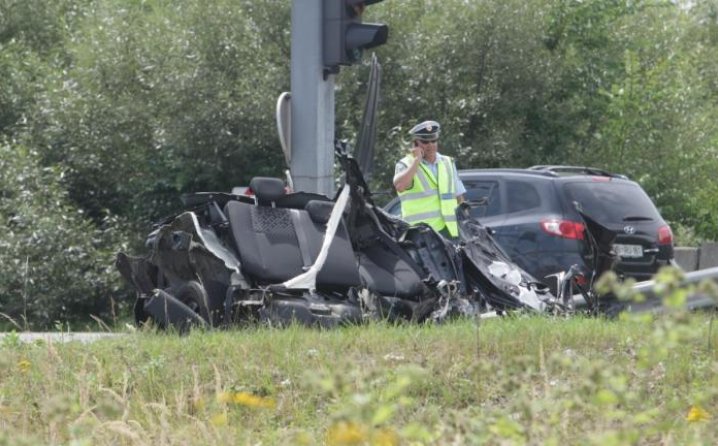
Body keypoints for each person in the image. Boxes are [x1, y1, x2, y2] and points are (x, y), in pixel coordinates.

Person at [393, 120, 466, 238]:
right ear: (415, 143)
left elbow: (459, 196)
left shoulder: (448, 162)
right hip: (421, 235)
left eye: (434, 141)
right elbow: (400, 186)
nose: (430, 145)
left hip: (450, 231)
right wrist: (417, 160)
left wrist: (466, 221)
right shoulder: (406, 164)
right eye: (425, 141)